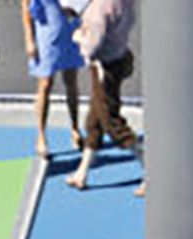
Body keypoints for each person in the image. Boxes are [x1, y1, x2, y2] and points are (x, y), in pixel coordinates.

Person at [63, 0, 140, 193]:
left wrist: (79, 38)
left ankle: (151, 169)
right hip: (120, 57)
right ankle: (82, 173)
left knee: (112, 123)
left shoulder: (95, 12)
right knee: (94, 123)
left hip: (105, 69)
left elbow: (91, 46)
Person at [21, 0, 84, 159]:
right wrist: (30, 40)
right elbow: (26, 8)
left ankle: (75, 129)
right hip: (46, 33)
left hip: (69, 29)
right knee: (45, 84)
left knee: (71, 81)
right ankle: (41, 135)